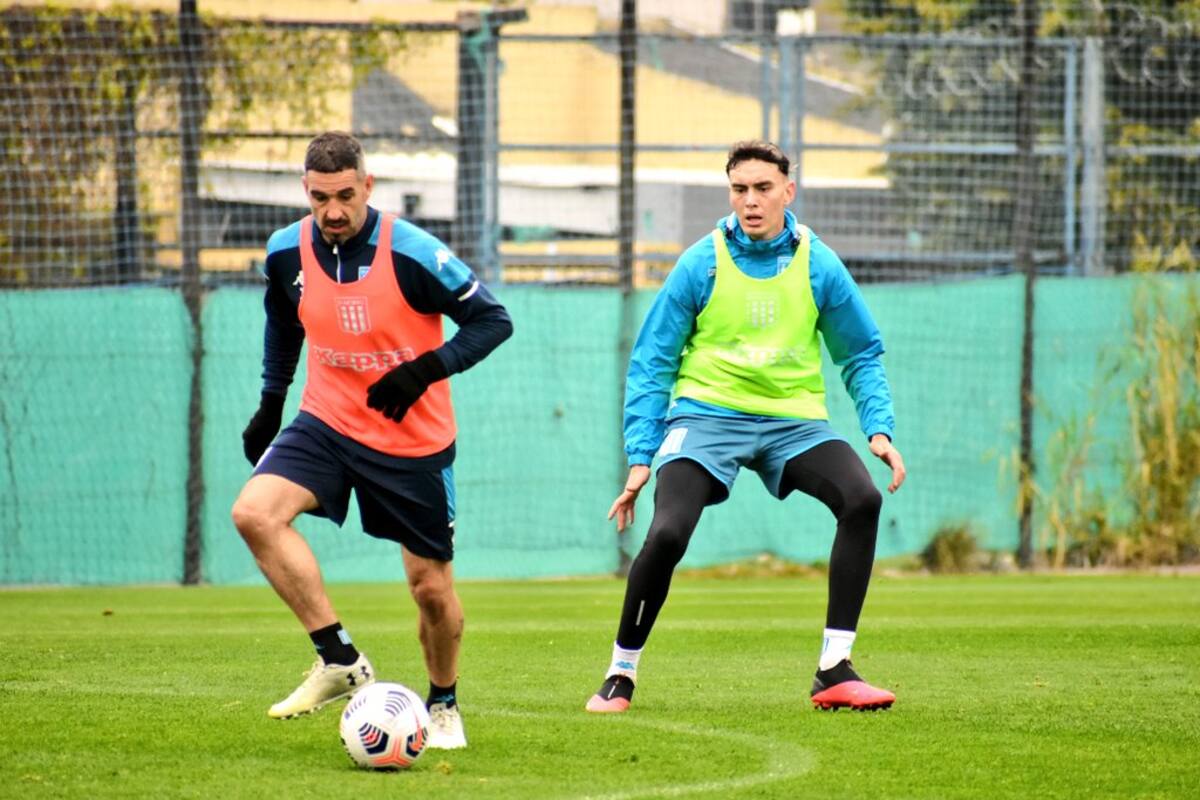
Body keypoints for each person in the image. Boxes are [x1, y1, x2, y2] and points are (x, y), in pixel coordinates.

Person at [586, 140, 906, 714]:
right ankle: (620, 672)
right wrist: (641, 456)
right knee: (666, 533)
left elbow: (860, 353)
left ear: (789, 190)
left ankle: (834, 669)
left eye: (763, 188)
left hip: (794, 423)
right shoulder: (700, 263)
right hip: (706, 418)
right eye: (740, 189)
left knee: (861, 498)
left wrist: (877, 428)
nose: (751, 201)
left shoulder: (820, 263)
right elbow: (653, 362)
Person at [231, 131, 512, 748]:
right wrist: (271, 403)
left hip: (412, 440)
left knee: (430, 589)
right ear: (306, 191)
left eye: (346, 196)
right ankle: (339, 659)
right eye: (320, 197)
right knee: (254, 513)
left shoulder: (412, 252)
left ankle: (442, 706)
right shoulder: (286, 251)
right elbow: (283, 322)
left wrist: (423, 370)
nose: (334, 211)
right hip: (327, 421)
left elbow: (494, 320)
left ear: (368, 187)